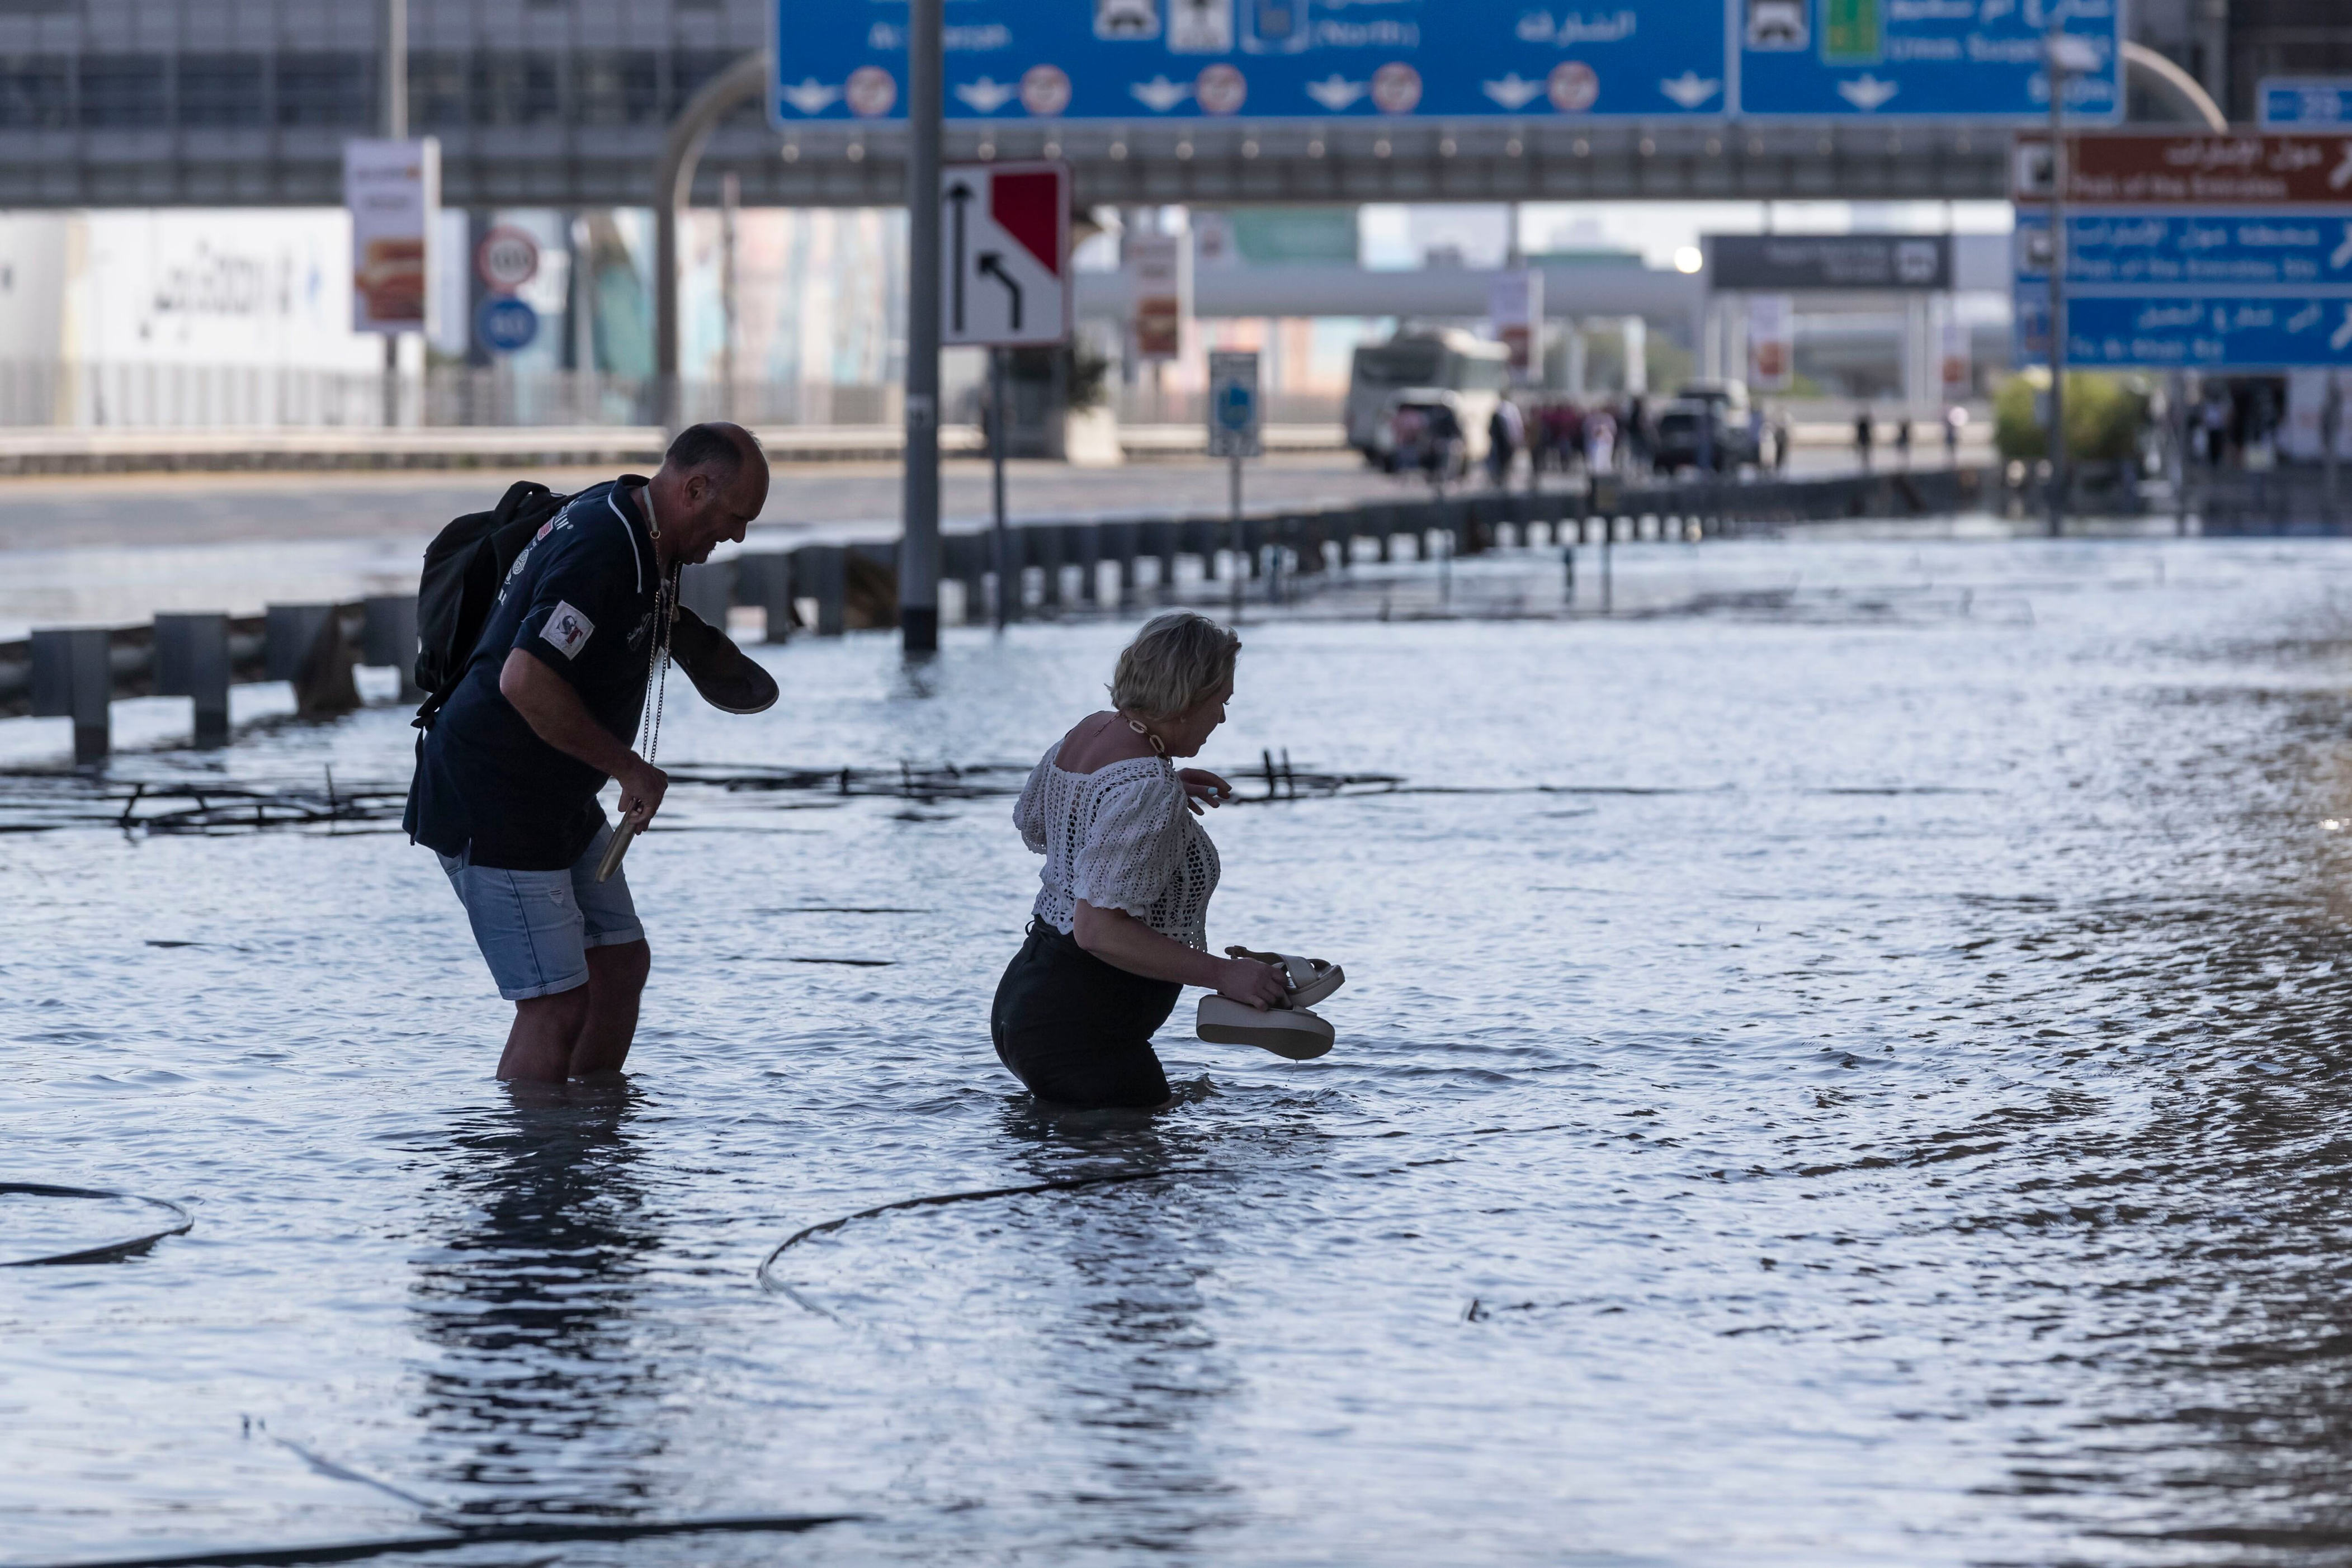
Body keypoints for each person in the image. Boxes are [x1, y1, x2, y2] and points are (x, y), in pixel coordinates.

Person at [405, 423, 771, 1084]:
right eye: (734, 518)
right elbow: (525, 679)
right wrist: (627, 767)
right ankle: (537, 1171)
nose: (737, 535)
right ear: (693, 488)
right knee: (555, 1005)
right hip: (492, 797)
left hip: (557, 795)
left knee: (621, 963)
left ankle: (595, 1138)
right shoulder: (605, 548)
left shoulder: (638, 518)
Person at [993, 612, 1287, 1109]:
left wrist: (1158, 792)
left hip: (1028, 1000)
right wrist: (1225, 975)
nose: (1222, 716)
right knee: (1148, 1180)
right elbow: (1097, 931)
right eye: (1220, 701)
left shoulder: (1091, 732)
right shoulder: (1145, 784)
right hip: (1082, 1030)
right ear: (1186, 698)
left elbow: (1038, 822)